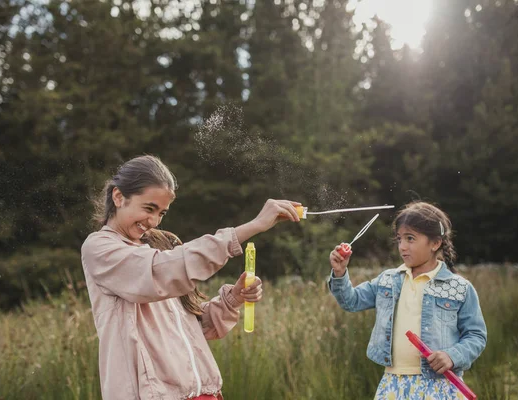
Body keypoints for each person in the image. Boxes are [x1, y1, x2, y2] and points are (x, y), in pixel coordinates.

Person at [81, 154, 300, 400]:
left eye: (161, 213)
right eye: (148, 208)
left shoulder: (157, 248)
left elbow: (193, 329)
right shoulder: (100, 249)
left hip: (204, 394)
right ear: (119, 196)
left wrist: (233, 300)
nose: (153, 221)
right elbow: (159, 273)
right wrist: (253, 226)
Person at [328, 201, 487, 399]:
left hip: (439, 387)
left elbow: (476, 335)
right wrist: (339, 272)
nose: (402, 246)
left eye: (410, 239)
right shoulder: (388, 280)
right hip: (393, 386)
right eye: (399, 239)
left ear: (435, 243)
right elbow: (351, 301)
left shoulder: (459, 288)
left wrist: (452, 356)